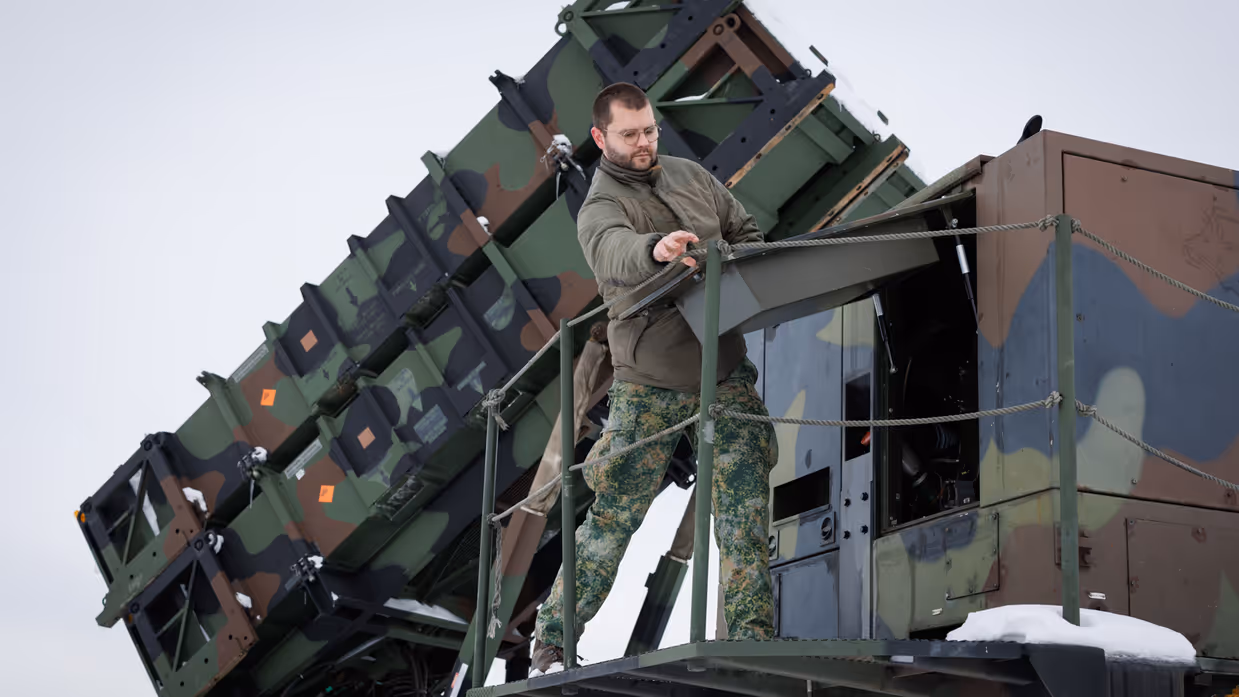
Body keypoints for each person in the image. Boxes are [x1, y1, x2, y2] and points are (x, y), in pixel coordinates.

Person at [530, 82, 778, 673]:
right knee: (614, 516)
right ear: (600, 138)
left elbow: (745, 231)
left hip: (725, 371)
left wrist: (739, 258)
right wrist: (657, 249)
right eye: (629, 134)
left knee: (745, 512)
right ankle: (553, 641)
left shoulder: (692, 176)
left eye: (649, 131)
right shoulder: (599, 207)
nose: (643, 143)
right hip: (650, 381)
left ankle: (751, 643)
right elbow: (612, 251)